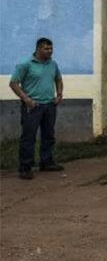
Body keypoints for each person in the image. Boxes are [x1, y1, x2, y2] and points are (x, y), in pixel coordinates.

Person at [9, 38, 64, 180]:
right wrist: (26, 100)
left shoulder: (53, 64)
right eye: (46, 49)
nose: (50, 51)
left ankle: (46, 162)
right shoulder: (26, 64)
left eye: (51, 49)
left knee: (48, 135)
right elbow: (14, 83)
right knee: (29, 137)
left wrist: (59, 94)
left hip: (50, 106)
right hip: (33, 107)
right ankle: (25, 167)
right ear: (38, 49)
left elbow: (58, 79)